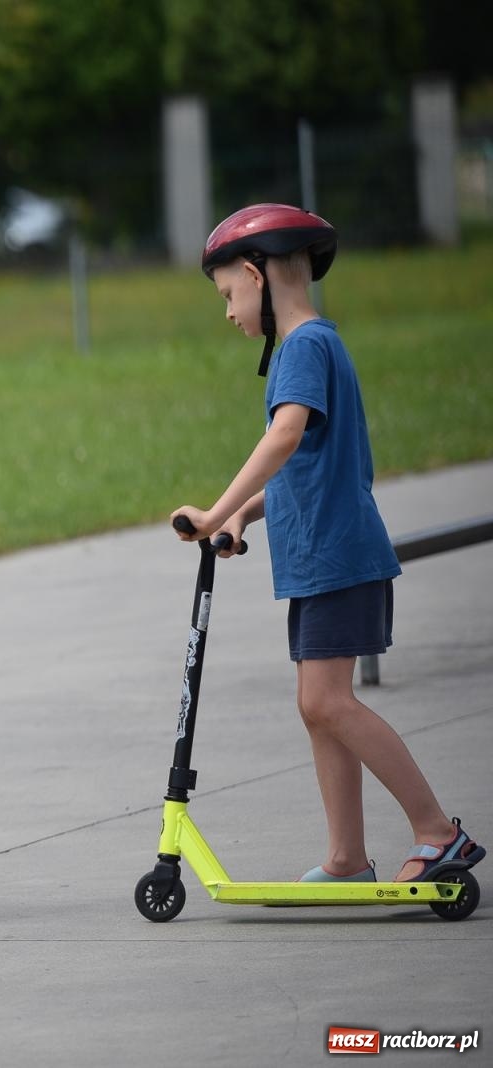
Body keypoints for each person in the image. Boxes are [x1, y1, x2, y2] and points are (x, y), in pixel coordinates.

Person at [170, 203, 482, 885]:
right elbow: (303, 465)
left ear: (256, 274)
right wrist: (243, 519)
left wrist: (213, 508)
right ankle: (346, 856)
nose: (227, 312)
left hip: (338, 556)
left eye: (228, 294)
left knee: (326, 703)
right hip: (318, 560)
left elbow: (284, 437)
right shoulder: (304, 348)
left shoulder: (306, 346)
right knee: (317, 709)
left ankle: (437, 832)